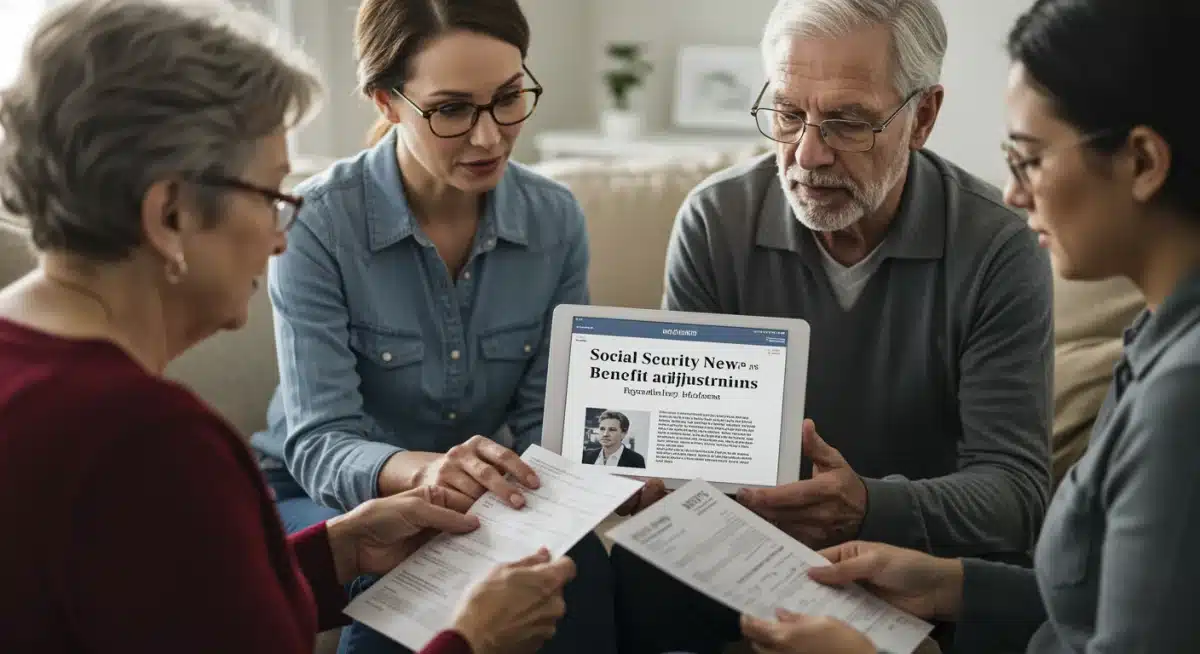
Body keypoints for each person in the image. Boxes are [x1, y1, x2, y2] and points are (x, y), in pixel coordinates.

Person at [0, 1, 579, 653]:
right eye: (273, 195)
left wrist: (341, 550)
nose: (281, 237)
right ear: (169, 215)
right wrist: (471, 641)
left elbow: (181, 609)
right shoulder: (151, 442)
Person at [738, 0, 1200, 652]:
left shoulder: (1183, 397)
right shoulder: (1157, 344)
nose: (1014, 192)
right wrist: (951, 584)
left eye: (1029, 157)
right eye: (789, 114)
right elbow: (1101, 601)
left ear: (1144, 163)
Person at [611, 0, 1056, 651]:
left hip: (908, 584)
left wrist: (869, 505)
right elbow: (686, 450)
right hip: (732, 569)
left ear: (922, 117)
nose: (809, 154)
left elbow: (1015, 496)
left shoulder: (998, 247)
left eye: (847, 122)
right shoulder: (715, 221)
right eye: (789, 115)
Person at [246, 1, 612, 652]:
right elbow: (320, 439)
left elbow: (543, 426)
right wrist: (426, 473)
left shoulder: (556, 221)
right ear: (386, 101)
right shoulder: (318, 226)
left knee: (576, 571)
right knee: (409, 578)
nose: (489, 136)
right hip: (314, 495)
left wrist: (597, 479)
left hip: (478, 497)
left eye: (508, 98)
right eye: (451, 109)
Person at [582, 411, 647, 468]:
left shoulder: (636, 460)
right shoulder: (586, 455)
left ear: (623, 433)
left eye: (612, 429)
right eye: (602, 429)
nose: (605, 434)